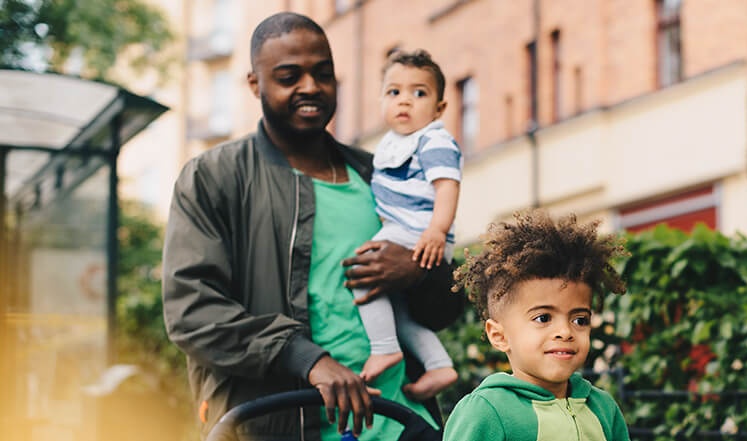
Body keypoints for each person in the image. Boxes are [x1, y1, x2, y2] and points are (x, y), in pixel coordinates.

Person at [161, 12, 462, 441]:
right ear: (254, 84)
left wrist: (418, 272)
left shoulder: (379, 173)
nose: (310, 87)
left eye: (323, 74)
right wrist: (308, 359)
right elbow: (192, 311)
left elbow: (444, 309)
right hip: (278, 425)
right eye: (289, 77)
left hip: (402, 424)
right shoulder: (214, 178)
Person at [444, 210, 631, 441]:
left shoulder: (604, 408)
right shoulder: (487, 412)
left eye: (579, 320)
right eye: (543, 318)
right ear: (499, 336)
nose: (565, 332)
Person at [351, 49, 459, 401]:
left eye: (419, 93)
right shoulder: (393, 145)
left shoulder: (433, 139)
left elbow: (446, 186)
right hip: (408, 230)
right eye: (394, 92)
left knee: (363, 270)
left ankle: (384, 348)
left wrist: (437, 230)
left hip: (418, 231)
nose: (404, 101)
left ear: (439, 109)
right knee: (398, 312)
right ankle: (438, 364)